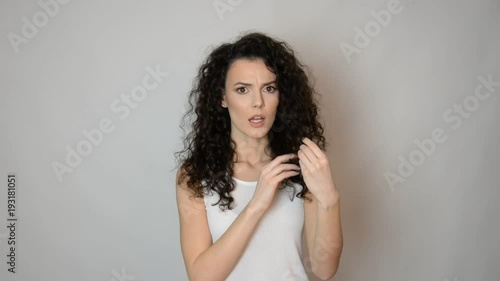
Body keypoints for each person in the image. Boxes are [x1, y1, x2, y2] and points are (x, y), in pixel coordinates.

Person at [174, 31, 343, 281]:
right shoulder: (195, 175)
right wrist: (256, 205)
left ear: (280, 96)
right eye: (243, 89)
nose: (258, 102)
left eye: (269, 88)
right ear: (222, 97)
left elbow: (324, 269)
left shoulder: (301, 166)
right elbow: (201, 277)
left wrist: (329, 199)